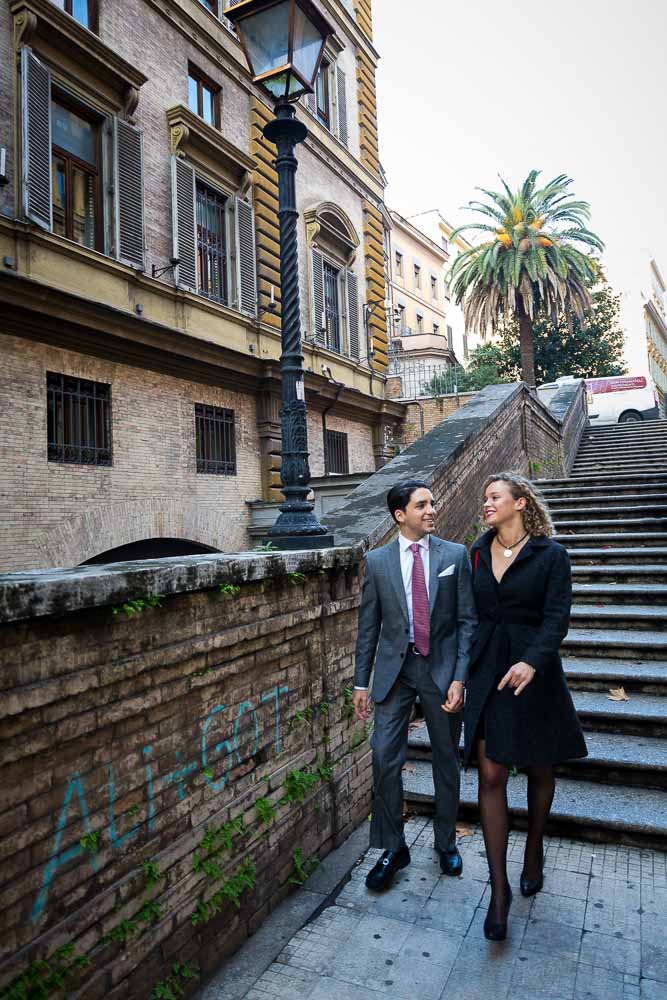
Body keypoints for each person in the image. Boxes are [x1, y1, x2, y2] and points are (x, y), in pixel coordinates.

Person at [464, 473, 587, 941]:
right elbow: (469, 614)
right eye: (485, 497)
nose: (487, 503)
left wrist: (532, 661)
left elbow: (558, 618)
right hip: (487, 671)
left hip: (534, 673)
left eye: (494, 496)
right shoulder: (477, 551)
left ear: (520, 502)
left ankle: (534, 844)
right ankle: (499, 892)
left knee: (538, 766)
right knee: (491, 775)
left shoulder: (551, 555)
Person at [353, 479, 477, 891]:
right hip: (394, 671)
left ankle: (445, 843)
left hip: (441, 672)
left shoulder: (455, 555)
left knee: (445, 758)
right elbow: (368, 627)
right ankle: (394, 847)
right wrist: (360, 683)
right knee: (383, 755)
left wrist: (460, 677)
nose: (431, 510)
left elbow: (466, 623)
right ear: (399, 515)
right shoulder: (377, 562)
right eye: (421, 504)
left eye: (433, 502)